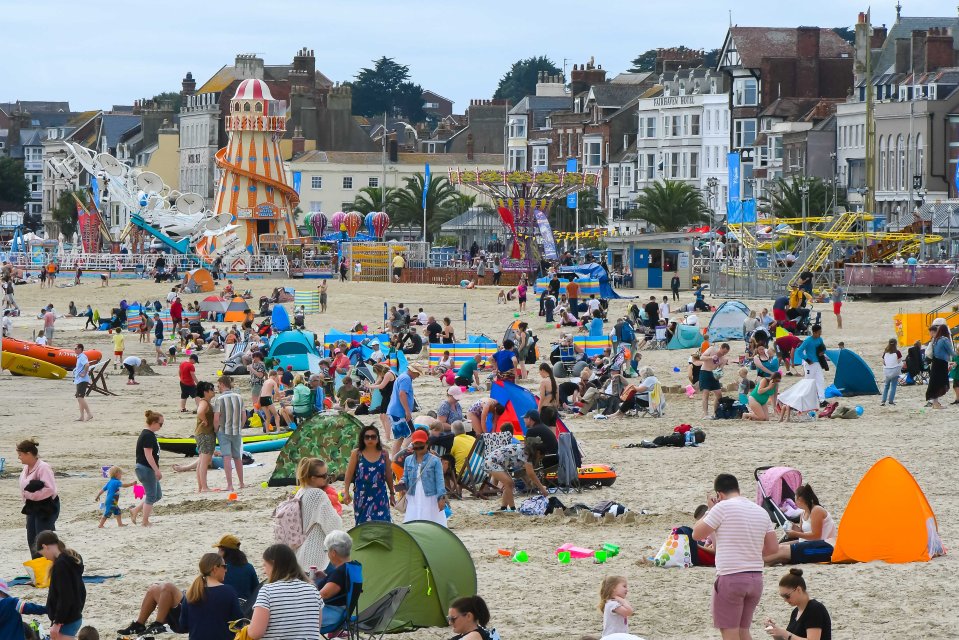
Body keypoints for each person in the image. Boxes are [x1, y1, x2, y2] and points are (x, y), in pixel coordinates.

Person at [692, 474, 778, 640]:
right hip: (755, 578)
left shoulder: (721, 508)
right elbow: (772, 549)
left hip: (731, 577)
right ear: (738, 489)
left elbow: (696, 534)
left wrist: (710, 509)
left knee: (730, 632)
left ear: (719, 494)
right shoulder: (760, 511)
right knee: (743, 631)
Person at [245, 544, 322, 640]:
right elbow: (315, 628)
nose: (264, 571)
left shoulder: (267, 591)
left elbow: (255, 633)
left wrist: (247, 629)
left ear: (274, 564)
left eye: (265, 565)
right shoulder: (313, 590)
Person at [764, 484, 838, 566]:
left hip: (824, 546)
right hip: (808, 543)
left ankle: (757, 560)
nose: (795, 501)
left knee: (780, 550)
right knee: (777, 548)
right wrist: (795, 528)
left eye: (796, 498)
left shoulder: (817, 510)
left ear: (801, 499)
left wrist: (795, 534)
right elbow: (803, 533)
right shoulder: (803, 513)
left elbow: (816, 535)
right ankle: (761, 561)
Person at [294, 458, 345, 570]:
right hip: (317, 558)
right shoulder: (317, 495)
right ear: (312, 478)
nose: (327, 478)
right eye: (324, 475)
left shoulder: (300, 492)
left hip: (299, 555)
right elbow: (334, 527)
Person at [179, 553, 242, 640]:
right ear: (215, 568)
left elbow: (183, 626)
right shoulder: (229, 591)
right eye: (224, 566)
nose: (226, 570)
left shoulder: (191, 593)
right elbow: (238, 622)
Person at [36, 531, 85, 640]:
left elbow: (65, 596)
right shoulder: (70, 560)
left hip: (66, 621)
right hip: (74, 616)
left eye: (43, 554)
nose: (46, 558)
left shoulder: (61, 565)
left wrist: (57, 623)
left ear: (45, 546)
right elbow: (81, 590)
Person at [343, 425, 395, 523]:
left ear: (378, 438)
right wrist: (346, 491)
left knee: (383, 523)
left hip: (380, 495)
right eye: (367, 437)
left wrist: (392, 493)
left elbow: (388, 475)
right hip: (362, 495)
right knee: (362, 524)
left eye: (373, 436)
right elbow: (349, 474)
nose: (370, 439)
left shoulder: (384, 454)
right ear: (362, 439)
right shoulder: (357, 454)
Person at [17, 438, 59, 558]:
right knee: (32, 539)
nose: (19, 457)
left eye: (20, 455)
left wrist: (30, 495)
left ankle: (51, 568)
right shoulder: (26, 468)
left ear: (28, 453)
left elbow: (50, 489)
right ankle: (38, 569)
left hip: (47, 506)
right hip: (32, 506)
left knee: (43, 539)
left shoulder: (43, 467)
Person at [483, 437, 549, 511]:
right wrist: (542, 488)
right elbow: (531, 473)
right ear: (538, 452)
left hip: (497, 462)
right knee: (509, 483)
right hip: (491, 462)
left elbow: (529, 473)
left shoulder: (526, 450)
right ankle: (512, 508)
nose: (540, 459)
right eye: (540, 457)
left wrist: (538, 486)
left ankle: (503, 508)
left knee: (510, 484)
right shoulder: (526, 453)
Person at [764, 569, 832, 640]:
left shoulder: (815, 609)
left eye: (787, 596)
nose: (785, 600)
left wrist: (785, 633)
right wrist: (776, 633)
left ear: (799, 590)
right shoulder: (795, 612)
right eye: (782, 597)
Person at [399, 429, 447, 526]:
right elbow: (405, 476)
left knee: (432, 521)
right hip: (413, 495)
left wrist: (441, 497)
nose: (418, 446)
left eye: (421, 443)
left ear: (427, 443)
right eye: (416, 443)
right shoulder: (408, 460)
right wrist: (402, 482)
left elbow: (440, 480)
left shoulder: (435, 460)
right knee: (413, 521)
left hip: (431, 496)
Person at [131, 410, 164, 527]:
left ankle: (135, 510)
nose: (161, 427)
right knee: (151, 496)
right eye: (160, 424)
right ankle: (145, 521)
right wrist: (156, 470)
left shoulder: (148, 434)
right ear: (154, 422)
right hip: (146, 468)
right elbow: (148, 455)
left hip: (145, 468)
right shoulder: (147, 435)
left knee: (157, 495)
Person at [214, 375, 246, 491]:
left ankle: (230, 485)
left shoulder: (219, 399)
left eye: (218, 385)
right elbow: (244, 416)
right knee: (238, 457)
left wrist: (215, 430)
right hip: (236, 430)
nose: (218, 388)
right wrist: (240, 427)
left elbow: (216, 418)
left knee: (226, 457)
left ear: (222, 384)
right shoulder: (239, 397)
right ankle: (241, 483)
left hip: (224, 431)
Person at [386, 365, 422, 456]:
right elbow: (402, 394)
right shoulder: (406, 378)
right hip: (399, 413)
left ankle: (394, 458)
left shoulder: (402, 376)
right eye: (417, 374)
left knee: (400, 437)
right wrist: (407, 411)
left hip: (395, 411)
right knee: (411, 434)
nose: (417, 376)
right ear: (413, 372)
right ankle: (402, 455)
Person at [213, 535, 259, 604]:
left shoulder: (219, 569)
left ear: (225, 551)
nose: (218, 553)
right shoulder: (249, 567)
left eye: (219, 550)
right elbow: (256, 590)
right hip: (245, 608)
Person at [193, 381, 217, 492]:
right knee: (204, 460)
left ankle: (201, 487)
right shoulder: (204, 402)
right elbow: (200, 412)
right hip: (205, 434)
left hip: (201, 433)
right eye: (211, 389)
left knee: (202, 460)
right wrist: (205, 420)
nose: (214, 391)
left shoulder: (205, 402)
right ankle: (204, 487)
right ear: (205, 392)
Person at [796, 326, 826, 404]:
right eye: (819, 332)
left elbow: (823, 348)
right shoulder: (807, 340)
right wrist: (807, 359)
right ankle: (805, 399)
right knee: (809, 382)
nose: (820, 334)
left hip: (817, 363)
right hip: (809, 364)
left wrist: (822, 352)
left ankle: (822, 400)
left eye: (820, 332)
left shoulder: (820, 339)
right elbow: (799, 351)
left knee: (820, 380)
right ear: (814, 332)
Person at [699, 343, 730, 420]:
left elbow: (720, 369)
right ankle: (705, 413)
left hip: (714, 375)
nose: (723, 354)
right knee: (706, 393)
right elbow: (701, 357)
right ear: (720, 348)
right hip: (705, 372)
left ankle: (715, 413)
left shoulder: (723, 359)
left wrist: (720, 371)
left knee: (719, 395)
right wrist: (711, 357)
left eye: (725, 353)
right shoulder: (712, 349)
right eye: (723, 352)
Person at [927, 323, 954, 409]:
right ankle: (935, 404)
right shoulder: (944, 339)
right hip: (941, 363)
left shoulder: (935, 339)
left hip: (935, 362)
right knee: (940, 383)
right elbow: (951, 352)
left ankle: (936, 402)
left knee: (935, 382)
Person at [367, 363, 396, 441]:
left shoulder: (388, 374)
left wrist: (370, 386)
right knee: (382, 416)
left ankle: (388, 437)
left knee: (385, 417)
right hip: (385, 397)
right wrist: (369, 385)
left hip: (389, 397)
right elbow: (376, 383)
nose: (377, 375)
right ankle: (387, 435)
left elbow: (381, 386)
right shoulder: (382, 374)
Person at [73, 344, 93, 422]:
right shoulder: (79, 357)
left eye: (76, 348)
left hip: (82, 380)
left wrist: (84, 373)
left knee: (80, 397)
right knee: (79, 398)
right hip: (78, 380)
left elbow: (87, 365)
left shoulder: (82, 357)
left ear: (80, 349)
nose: (74, 350)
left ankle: (89, 414)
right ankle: (81, 416)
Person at [881, 339, 902, 406]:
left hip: (887, 371)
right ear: (896, 344)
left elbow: (883, 362)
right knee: (893, 386)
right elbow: (899, 361)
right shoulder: (897, 352)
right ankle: (891, 401)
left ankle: (883, 401)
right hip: (895, 371)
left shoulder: (885, 352)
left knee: (886, 386)